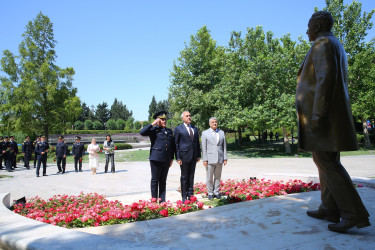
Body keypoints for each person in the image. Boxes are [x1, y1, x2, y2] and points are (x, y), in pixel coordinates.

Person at [296, 11, 370, 232]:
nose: (307, 30)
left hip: (323, 116)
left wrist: (317, 114)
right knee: (325, 161)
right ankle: (329, 207)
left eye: (309, 26)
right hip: (330, 115)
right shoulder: (334, 43)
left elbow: (324, 80)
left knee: (328, 162)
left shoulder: (323, 44)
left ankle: (354, 214)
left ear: (317, 25)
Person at [140, 111, 175, 202]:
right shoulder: (154, 130)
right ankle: (154, 199)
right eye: (162, 119)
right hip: (156, 158)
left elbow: (172, 145)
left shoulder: (169, 131)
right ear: (157, 120)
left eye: (165, 119)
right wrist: (153, 124)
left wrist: (172, 158)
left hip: (166, 159)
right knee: (155, 180)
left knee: (163, 181)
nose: (164, 121)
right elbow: (142, 132)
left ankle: (162, 200)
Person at [174, 111, 201, 202]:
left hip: (193, 156)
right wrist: (178, 157)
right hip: (184, 156)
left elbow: (197, 143)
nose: (189, 117)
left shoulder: (195, 128)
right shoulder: (178, 129)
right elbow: (176, 144)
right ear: (182, 118)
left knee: (191, 176)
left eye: (190, 115)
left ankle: (191, 195)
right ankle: (184, 196)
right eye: (187, 116)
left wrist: (198, 155)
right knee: (184, 177)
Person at [201, 117, 228, 200]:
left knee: (218, 176)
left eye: (216, 122)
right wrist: (204, 159)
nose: (215, 123)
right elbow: (203, 147)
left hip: (219, 158)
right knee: (209, 177)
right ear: (209, 123)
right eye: (213, 122)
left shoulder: (221, 132)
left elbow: (224, 146)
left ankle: (216, 192)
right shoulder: (205, 133)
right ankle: (210, 193)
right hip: (209, 159)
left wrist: (225, 157)